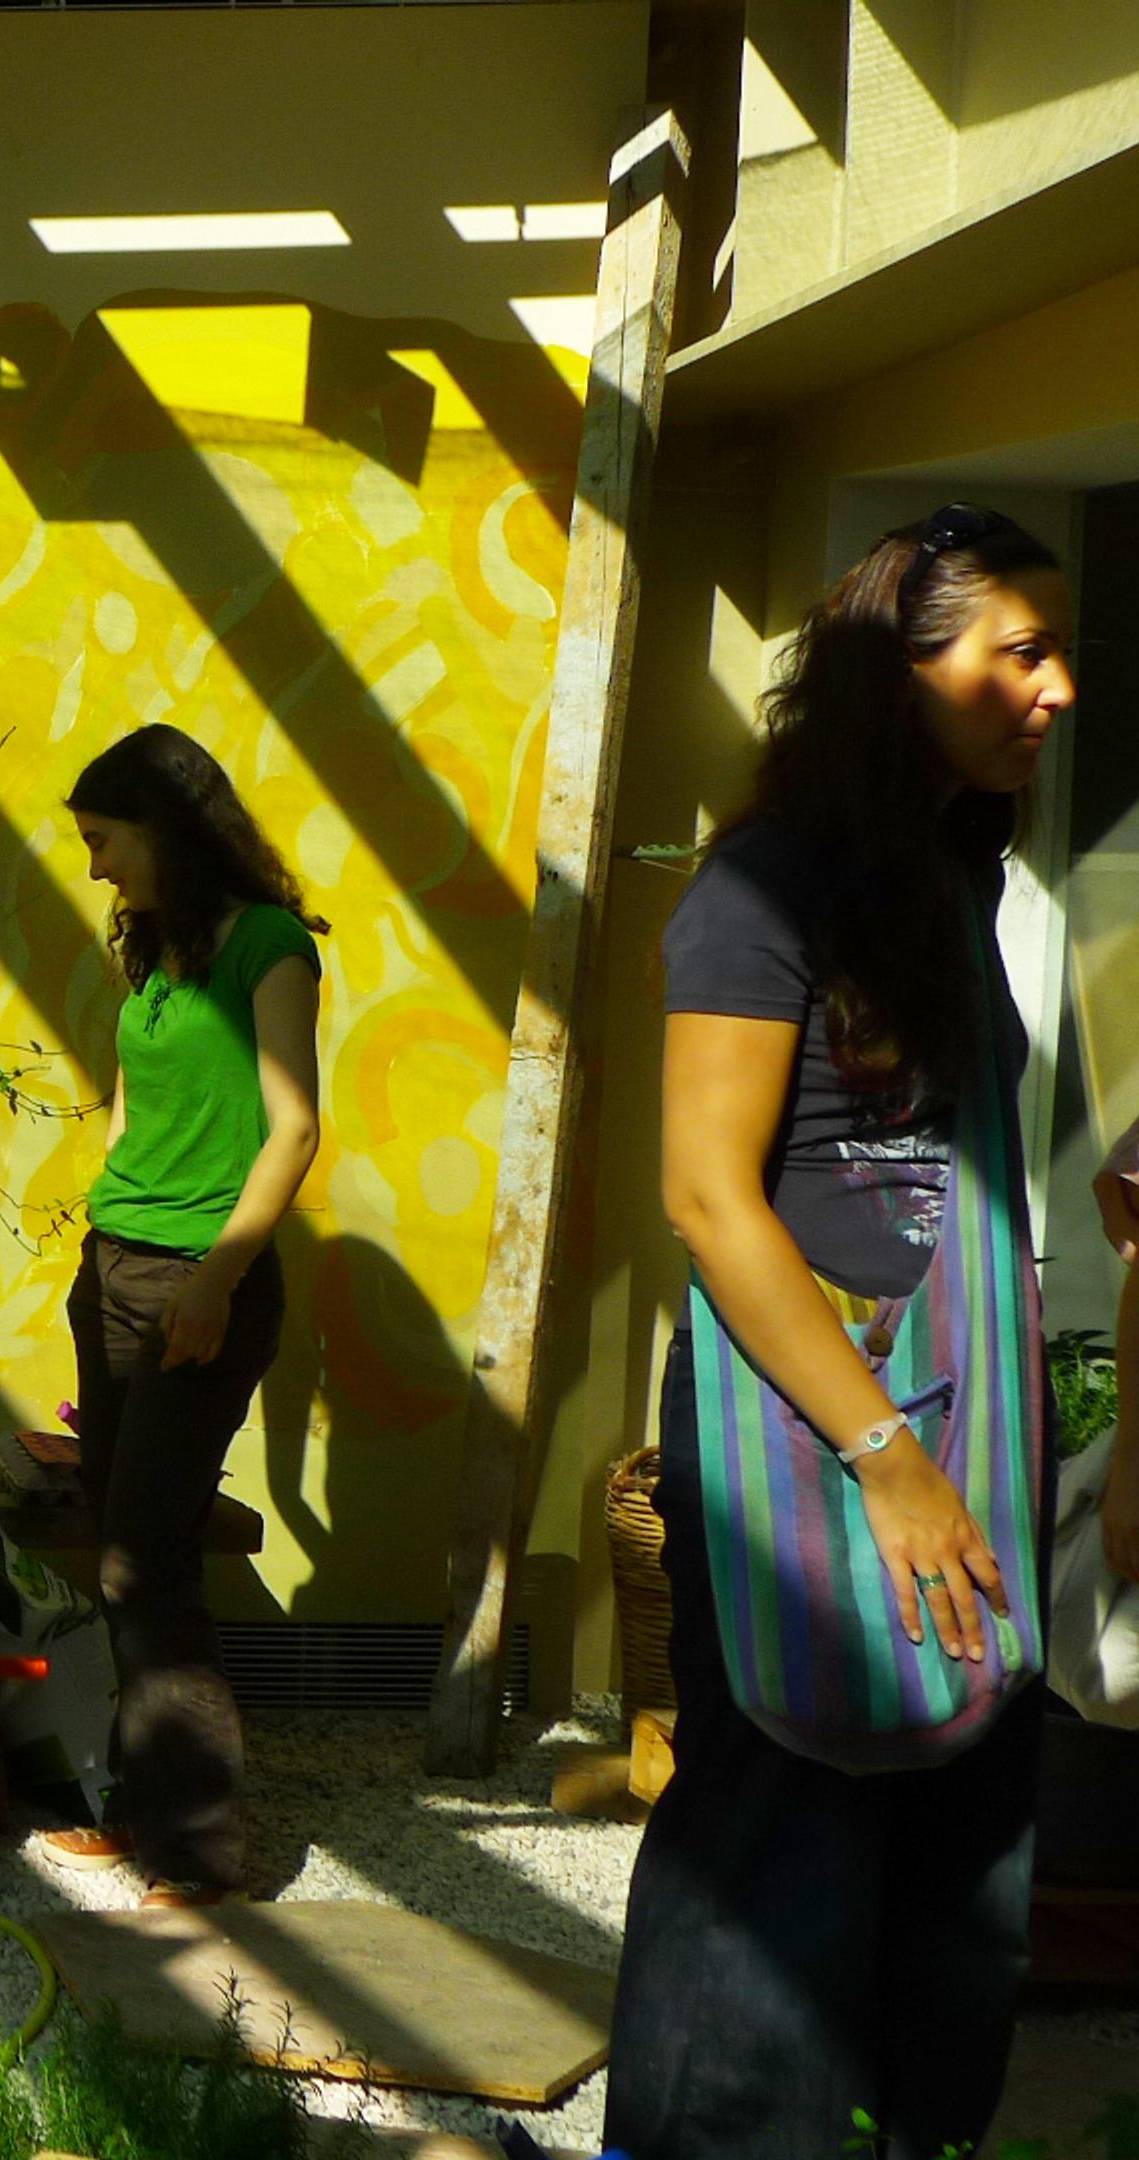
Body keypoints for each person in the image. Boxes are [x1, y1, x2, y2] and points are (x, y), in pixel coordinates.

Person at [609, 504, 1074, 2159]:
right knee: (775, 1851)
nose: (1059, 689)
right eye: (1021, 652)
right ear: (905, 671)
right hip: (812, 1435)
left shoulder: (953, 879)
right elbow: (707, 1195)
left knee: (960, 1853)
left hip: (954, 1419)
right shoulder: (764, 885)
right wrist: (883, 1455)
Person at [38, 722, 323, 1909]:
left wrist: (215, 1278)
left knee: (144, 1563)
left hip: (201, 1283)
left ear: (168, 829)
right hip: (114, 1269)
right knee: (120, 1542)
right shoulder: (156, 947)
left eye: (106, 840)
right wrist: (107, 1209)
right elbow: (130, 1100)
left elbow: (295, 1128)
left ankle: (203, 1856)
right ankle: (144, 1807)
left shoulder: (270, 946)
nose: (95, 865)